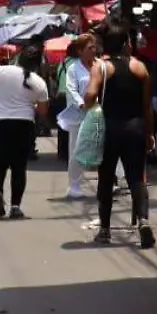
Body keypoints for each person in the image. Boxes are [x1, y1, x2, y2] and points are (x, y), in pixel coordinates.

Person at [86, 25, 155, 248]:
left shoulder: (101, 68)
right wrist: (150, 132)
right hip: (135, 127)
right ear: (126, 44)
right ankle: (143, 220)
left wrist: (90, 107)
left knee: (106, 178)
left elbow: (90, 95)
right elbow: (147, 106)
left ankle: (105, 230)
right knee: (137, 177)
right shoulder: (140, 68)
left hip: (109, 129)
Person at [0, 43, 49, 219]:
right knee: (19, 167)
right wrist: (32, 104)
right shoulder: (39, 83)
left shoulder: (1, 71)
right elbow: (43, 112)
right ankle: (15, 206)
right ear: (37, 64)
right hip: (24, 125)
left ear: (19, 58)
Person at [55, 35, 97, 200]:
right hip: (78, 114)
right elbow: (70, 89)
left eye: (94, 47)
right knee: (76, 150)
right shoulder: (73, 68)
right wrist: (81, 103)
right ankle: (74, 185)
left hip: (97, 112)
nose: (93, 51)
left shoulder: (99, 66)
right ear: (80, 51)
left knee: (103, 147)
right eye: (89, 48)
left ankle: (112, 181)